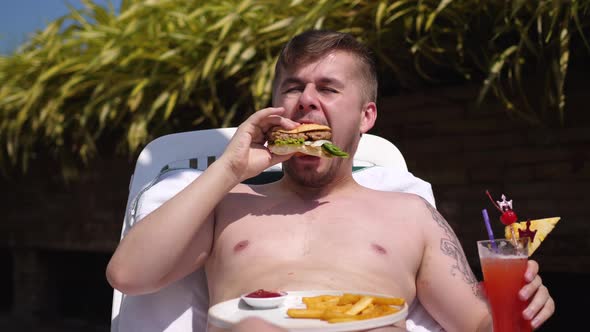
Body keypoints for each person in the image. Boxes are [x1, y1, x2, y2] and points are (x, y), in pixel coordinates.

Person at [106, 30, 555, 331]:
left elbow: (480, 326)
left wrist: (520, 305)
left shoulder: (410, 215)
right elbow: (128, 274)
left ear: (366, 116)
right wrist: (228, 169)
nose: (306, 101)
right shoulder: (230, 203)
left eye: (329, 88)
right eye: (293, 87)